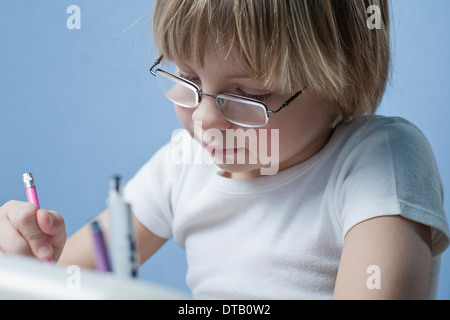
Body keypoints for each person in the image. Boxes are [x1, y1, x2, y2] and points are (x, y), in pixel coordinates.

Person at [0, 0, 448, 299]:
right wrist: (28, 263)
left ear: (342, 76)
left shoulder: (379, 162)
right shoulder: (182, 167)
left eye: (247, 95)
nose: (205, 120)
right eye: (189, 80)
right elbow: (70, 279)